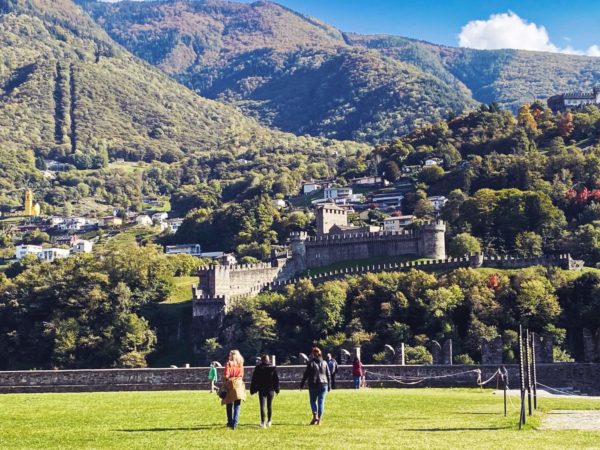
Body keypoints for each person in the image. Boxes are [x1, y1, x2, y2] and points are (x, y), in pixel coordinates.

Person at [300, 347, 331, 425]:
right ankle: (319, 420)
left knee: (313, 401)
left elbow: (306, 375)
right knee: (321, 402)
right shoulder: (325, 363)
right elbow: (328, 374)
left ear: (313, 354)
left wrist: (302, 384)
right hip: (324, 384)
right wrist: (329, 385)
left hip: (313, 384)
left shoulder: (311, 363)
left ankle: (315, 415)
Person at [250, 355, 280, 428]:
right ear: (268, 360)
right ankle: (269, 421)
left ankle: (263, 422)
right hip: (270, 389)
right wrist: (277, 389)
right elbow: (276, 380)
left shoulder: (258, 368)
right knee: (269, 406)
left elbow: (254, 379)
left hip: (262, 389)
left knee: (262, 406)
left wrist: (253, 389)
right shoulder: (272, 369)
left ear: (261, 360)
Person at [222, 350, 246, 429]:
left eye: (230, 355)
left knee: (229, 404)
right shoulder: (240, 364)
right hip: (239, 383)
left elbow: (226, 375)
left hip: (230, 383)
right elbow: (242, 375)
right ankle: (235, 423)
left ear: (232, 356)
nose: (229, 356)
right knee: (237, 405)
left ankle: (230, 422)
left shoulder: (228, 364)